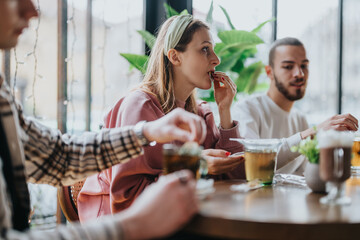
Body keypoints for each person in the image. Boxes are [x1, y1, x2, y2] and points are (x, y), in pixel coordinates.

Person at [0, 0, 208, 239]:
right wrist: (131, 225)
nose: (33, 11)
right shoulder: (139, 102)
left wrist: (146, 132)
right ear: (174, 56)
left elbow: (59, 155)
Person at [78, 14, 245, 221]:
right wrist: (195, 167)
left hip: (178, 218)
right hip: (117, 224)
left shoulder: (201, 112)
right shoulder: (138, 107)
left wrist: (225, 110)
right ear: (175, 57)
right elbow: (127, 199)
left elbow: (237, 179)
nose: (216, 60)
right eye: (204, 49)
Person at [233, 37, 358, 175]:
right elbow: (251, 162)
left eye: (304, 65)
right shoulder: (246, 109)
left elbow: (304, 176)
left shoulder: (300, 118)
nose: (300, 74)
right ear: (270, 72)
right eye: (288, 66)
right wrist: (313, 133)